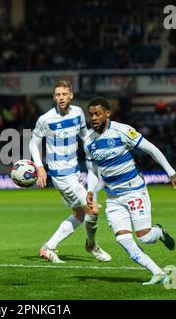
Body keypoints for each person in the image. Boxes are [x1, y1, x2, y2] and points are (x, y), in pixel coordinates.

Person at [84, 97, 176, 285]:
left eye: (97, 114)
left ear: (107, 113)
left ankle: (159, 232)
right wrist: (91, 190)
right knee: (123, 239)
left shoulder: (123, 131)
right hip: (113, 198)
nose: (94, 118)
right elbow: (93, 172)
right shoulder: (89, 142)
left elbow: (152, 149)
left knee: (145, 238)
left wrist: (171, 173)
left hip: (134, 191)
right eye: (91, 114)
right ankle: (157, 272)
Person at [29, 80, 112, 263]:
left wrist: (95, 148)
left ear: (71, 95)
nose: (61, 98)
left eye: (64, 94)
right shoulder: (46, 119)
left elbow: (84, 135)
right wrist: (40, 167)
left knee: (80, 214)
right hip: (61, 176)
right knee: (93, 210)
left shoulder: (78, 113)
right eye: (57, 95)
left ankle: (48, 248)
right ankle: (92, 246)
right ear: (54, 97)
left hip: (75, 172)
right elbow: (33, 143)